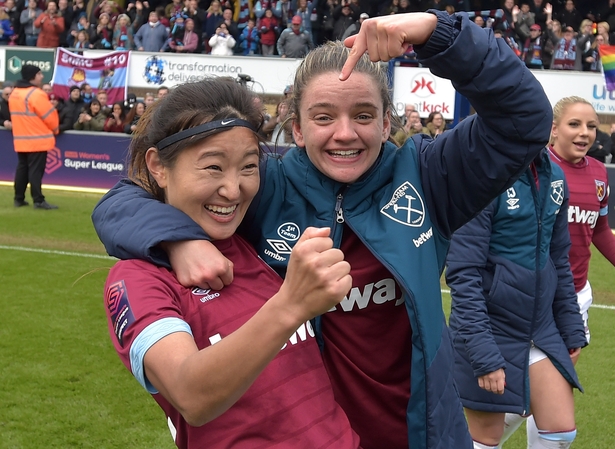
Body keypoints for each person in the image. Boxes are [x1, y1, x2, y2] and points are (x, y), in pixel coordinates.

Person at [92, 11, 553, 449]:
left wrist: (438, 32)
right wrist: (179, 239)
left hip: (422, 433)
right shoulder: (263, 184)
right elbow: (123, 200)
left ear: (387, 122)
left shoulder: (430, 176)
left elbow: (525, 120)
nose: (345, 133)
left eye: (365, 116)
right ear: (296, 128)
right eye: (324, 116)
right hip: (311, 431)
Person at [103, 77, 360, 449]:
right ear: (158, 165)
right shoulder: (137, 278)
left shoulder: (252, 237)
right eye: (212, 167)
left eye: (248, 167)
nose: (233, 189)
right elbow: (191, 396)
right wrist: (291, 305)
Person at [498, 97, 615, 449]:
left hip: (574, 299)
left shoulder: (599, 173)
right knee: (524, 390)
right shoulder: (532, 170)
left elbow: (600, 228)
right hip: (532, 299)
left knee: (549, 393)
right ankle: (476, 440)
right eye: (575, 124)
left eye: (591, 126)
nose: (585, 133)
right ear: (553, 129)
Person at [446, 130, 586, 449]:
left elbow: (559, 259)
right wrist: (482, 353)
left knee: (560, 432)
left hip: (540, 328)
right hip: (489, 328)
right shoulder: (481, 178)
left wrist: (571, 326)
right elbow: (464, 273)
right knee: (485, 440)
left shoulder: (555, 176)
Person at [9, 64, 59, 210]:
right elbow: (50, 116)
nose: (42, 76)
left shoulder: (14, 93)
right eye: (39, 74)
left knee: (22, 169)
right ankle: (38, 200)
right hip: (38, 140)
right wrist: (55, 129)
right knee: (35, 172)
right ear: (33, 76)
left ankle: (19, 198)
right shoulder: (36, 94)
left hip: (21, 140)